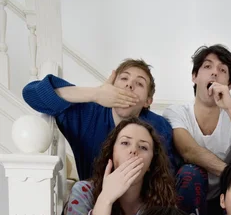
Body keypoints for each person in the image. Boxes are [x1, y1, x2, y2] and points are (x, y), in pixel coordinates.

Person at [23, 58, 176, 179]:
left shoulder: (159, 127)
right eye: (124, 79)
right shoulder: (87, 113)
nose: (129, 85)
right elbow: (31, 93)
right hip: (92, 203)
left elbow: (167, 177)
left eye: (139, 84)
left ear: (148, 101)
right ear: (111, 85)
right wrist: (96, 94)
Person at [164, 44, 231, 215]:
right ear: (195, 77)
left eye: (222, 70)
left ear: (229, 85)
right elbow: (189, 151)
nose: (214, 73)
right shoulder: (176, 112)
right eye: (207, 66)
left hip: (222, 201)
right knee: (191, 172)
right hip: (185, 199)